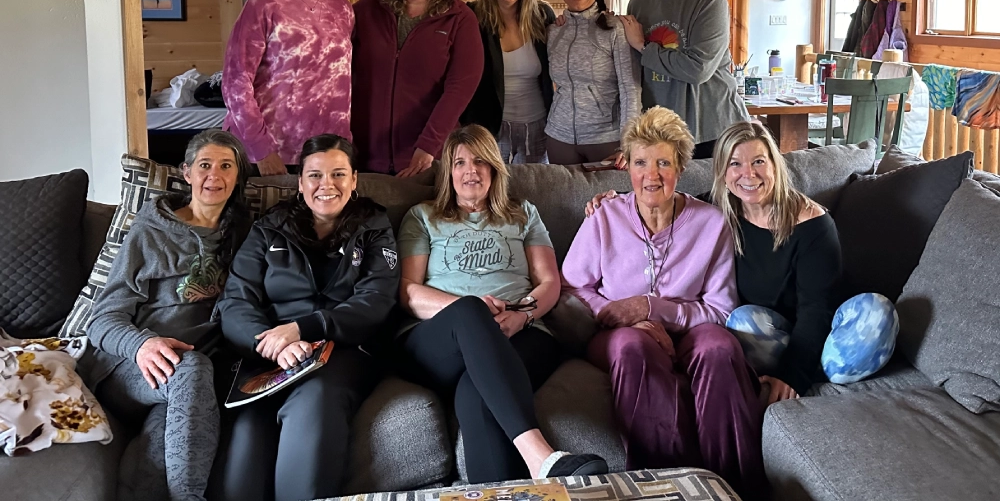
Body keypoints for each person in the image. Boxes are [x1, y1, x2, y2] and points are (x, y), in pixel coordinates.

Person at [562, 107, 764, 497]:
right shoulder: (604, 216)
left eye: (663, 163)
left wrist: (653, 308)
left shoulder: (711, 222)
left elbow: (721, 309)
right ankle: (662, 489)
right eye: (640, 162)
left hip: (690, 331)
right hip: (622, 337)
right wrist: (622, 316)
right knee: (633, 345)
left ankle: (733, 486)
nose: (651, 175)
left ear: (681, 168)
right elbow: (572, 287)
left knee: (720, 347)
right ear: (627, 168)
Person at [396, 124, 607, 483]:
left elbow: (549, 282)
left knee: (475, 395)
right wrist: (473, 309)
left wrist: (520, 316)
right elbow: (408, 291)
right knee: (469, 311)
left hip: (523, 333)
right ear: (448, 171)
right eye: (459, 162)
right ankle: (539, 455)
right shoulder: (423, 216)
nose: (470, 170)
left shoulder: (522, 212)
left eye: (480, 161)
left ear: (494, 168)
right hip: (440, 337)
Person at [216, 134, 400, 501]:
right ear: (300, 183)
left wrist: (302, 328)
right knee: (249, 433)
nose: (326, 185)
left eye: (338, 174)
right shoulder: (270, 227)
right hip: (270, 357)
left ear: (354, 180)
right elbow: (235, 300)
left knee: (315, 397)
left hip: (343, 350)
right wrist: (268, 343)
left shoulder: (374, 226)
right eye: (315, 175)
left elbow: (375, 301)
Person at [85, 129, 252, 501]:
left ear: (238, 176)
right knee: (192, 368)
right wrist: (142, 344)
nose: (215, 175)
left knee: (162, 453)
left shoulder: (243, 234)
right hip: (126, 367)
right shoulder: (151, 231)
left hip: (185, 382)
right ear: (187, 173)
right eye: (205, 165)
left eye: (226, 166)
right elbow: (101, 320)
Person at [713, 121, 899, 403]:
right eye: (735, 163)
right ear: (723, 173)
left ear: (775, 165)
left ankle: (813, 372)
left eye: (759, 161)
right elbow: (671, 205)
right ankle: (820, 375)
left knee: (879, 311)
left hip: (829, 330)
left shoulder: (812, 223)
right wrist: (623, 198)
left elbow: (817, 310)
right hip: (778, 335)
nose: (748, 174)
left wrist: (792, 375)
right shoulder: (720, 212)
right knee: (741, 321)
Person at [223, 0, 354, 176]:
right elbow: (235, 82)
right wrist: (262, 150)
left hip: (327, 150)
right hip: (274, 153)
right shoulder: (263, 5)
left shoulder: (343, 8)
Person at [352, 0, 484, 177]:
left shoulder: (460, 18)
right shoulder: (366, 11)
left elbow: (460, 89)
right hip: (366, 158)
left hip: (427, 159)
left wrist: (428, 145)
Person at [620, 0, 747, 160]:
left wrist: (643, 46)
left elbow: (698, 69)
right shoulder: (638, 4)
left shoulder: (709, 0)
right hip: (660, 131)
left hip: (712, 129)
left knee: (714, 197)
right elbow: (636, 71)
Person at [462, 0, 555, 163]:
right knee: (492, 194)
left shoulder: (542, 16)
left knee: (536, 192)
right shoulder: (472, 17)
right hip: (489, 129)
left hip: (538, 126)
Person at [545, 0, 641, 167]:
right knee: (562, 200)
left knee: (608, 201)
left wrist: (630, 142)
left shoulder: (615, 29)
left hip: (605, 138)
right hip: (558, 137)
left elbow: (630, 88)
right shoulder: (553, 31)